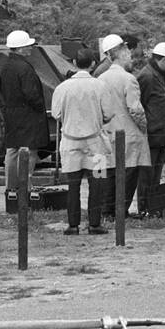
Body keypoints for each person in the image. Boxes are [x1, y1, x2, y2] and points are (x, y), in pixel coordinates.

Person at [50, 48, 113, 235]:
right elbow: (108, 114)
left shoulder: (62, 88)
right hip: (96, 142)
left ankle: (73, 224)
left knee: (73, 184)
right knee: (98, 183)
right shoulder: (100, 86)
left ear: (75, 64)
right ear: (93, 64)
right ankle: (95, 223)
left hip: (70, 143)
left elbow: (56, 114)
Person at [98, 34, 152, 217]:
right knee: (129, 176)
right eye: (128, 54)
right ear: (120, 54)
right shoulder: (128, 79)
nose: (130, 57)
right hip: (128, 135)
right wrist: (144, 128)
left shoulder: (101, 79)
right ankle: (120, 211)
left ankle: (106, 210)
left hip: (107, 134)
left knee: (109, 175)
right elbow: (135, 109)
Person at [0, 29, 47, 193]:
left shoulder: (6, 66)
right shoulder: (24, 68)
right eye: (28, 46)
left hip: (11, 113)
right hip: (27, 115)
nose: (30, 48)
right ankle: (25, 187)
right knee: (29, 151)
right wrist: (40, 106)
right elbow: (31, 94)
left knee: (12, 150)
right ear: (20, 49)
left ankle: (10, 187)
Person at [136, 42, 165, 189]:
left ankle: (152, 205)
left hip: (159, 135)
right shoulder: (147, 76)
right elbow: (140, 105)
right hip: (151, 135)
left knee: (155, 175)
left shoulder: (158, 73)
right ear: (164, 60)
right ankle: (145, 206)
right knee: (147, 174)